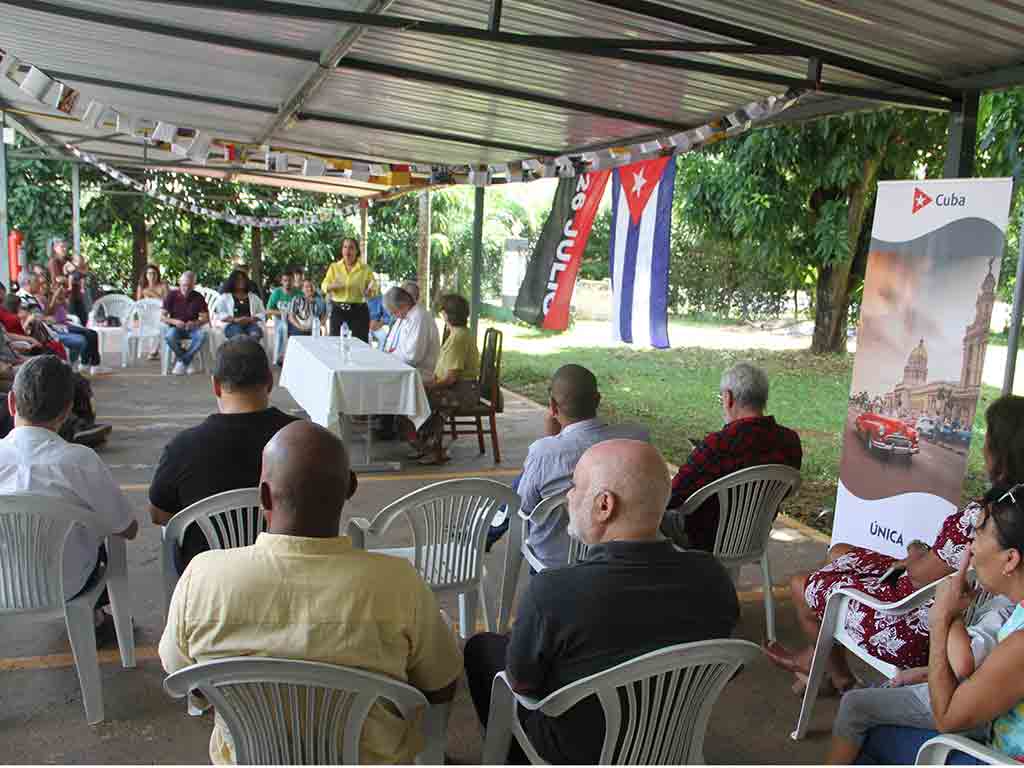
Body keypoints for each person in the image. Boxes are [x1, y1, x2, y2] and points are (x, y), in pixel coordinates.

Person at [160, 421, 463, 764]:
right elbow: (440, 684)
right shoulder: (399, 584)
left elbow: (185, 679)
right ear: (350, 487)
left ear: (263, 495)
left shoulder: (202, 577)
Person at [463, 439, 740, 764]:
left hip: (579, 752)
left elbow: (523, 685)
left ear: (604, 505)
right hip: (669, 741)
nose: (568, 496)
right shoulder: (714, 577)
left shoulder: (552, 592)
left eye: (576, 486)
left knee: (481, 649)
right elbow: (725, 668)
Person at [766, 394, 1024, 695]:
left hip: (911, 621)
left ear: (1000, 451)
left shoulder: (983, 516)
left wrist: (915, 554)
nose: (982, 447)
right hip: (936, 598)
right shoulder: (1013, 508)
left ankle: (837, 676)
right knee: (838, 552)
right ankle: (817, 660)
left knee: (801, 585)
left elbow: (919, 576)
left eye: (988, 439)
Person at [845, 486, 1024, 763]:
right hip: (993, 727)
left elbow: (947, 718)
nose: (971, 546)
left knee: (866, 726)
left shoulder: (1020, 644)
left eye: (978, 533)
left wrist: (941, 620)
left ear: (1010, 559)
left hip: (998, 758)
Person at [0, 356, 137, 636]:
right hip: (67, 584)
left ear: (11, 403)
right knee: (96, 531)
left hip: (2, 584)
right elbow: (127, 528)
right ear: (68, 410)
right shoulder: (79, 461)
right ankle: (95, 619)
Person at [827, 580, 1015, 763]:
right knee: (870, 706)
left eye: (979, 548)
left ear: (1010, 560)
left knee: (859, 712)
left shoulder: (1009, 615)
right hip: (981, 708)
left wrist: (947, 614)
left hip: (988, 737)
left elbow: (963, 667)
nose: (973, 555)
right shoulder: (1009, 605)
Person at [149, 338, 298, 565]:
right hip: (287, 575)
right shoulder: (305, 440)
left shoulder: (183, 447)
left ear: (216, 386)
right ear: (269, 381)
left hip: (208, 583)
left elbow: (159, 514)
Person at [489, 364, 649, 568]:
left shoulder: (544, 453)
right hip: (617, 559)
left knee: (529, 481)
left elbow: (524, 507)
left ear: (553, 407)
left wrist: (551, 441)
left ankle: (488, 529)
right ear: (598, 400)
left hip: (555, 565)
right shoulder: (637, 437)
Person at [661, 361, 802, 552]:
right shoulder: (789, 441)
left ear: (728, 398)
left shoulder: (718, 445)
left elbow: (672, 497)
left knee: (643, 516)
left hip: (703, 540)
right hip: (753, 539)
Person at [406, 294, 479, 466]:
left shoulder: (458, 339)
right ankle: (426, 446)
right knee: (420, 397)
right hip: (458, 388)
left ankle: (432, 449)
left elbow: (451, 378)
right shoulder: (457, 334)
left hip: (463, 392)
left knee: (421, 399)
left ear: (445, 315)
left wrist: (428, 386)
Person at [377, 285, 440, 440]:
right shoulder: (409, 316)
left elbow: (413, 356)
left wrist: (390, 356)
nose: (395, 316)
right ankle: (386, 424)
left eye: (395, 312)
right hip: (408, 367)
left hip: (422, 371)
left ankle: (393, 427)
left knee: (383, 380)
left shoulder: (418, 318)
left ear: (403, 305)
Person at [321, 237, 376, 341]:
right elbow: (324, 285)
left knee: (360, 344)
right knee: (336, 343)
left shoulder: (365, 269)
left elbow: (374, 287)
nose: (347, 250)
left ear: (356, 251)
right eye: (345, 247)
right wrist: (333, 286)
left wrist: (370, 292)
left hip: (359, 311)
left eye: (351, 248)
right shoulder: (334, 267)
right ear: (342, 250)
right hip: (338, 311)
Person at [162, 271, 210, 376]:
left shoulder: (198, 297)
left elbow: (206, 318)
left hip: (192, 328)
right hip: (176, 328)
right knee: (169, 336)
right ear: (179, 283)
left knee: (202, 336)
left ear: (194, 285)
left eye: (189, 286)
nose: (186, 288)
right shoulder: (172, 295)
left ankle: (182, 361)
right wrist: (175, 321)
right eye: (184, 285)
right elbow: (162, 317)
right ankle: (187, 361)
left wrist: (196, 323)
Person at [211, 269, 266, 342]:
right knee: (240, 337)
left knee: (255, 335)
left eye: (243, 279)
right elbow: (220, 314)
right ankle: (241, 353)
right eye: (238, 279)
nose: (241, 281)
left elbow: (262, 313)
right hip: (232, 325)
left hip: (250, 324)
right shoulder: (225, 297)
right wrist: (235, 320)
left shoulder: (253, 297)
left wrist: (251, 319)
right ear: (232, 281)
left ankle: (251, 353)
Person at [265, 269, 301, 366]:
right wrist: (282, 313)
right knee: (282, 329)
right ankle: (278, 358)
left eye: (290, 280)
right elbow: (268, 310)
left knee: (298, 331)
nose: (288, 283)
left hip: (295, 320)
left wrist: (292, 315)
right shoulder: (277, 293)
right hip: (280, 319)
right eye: (285, 280)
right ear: (281, 281)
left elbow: (302, 310)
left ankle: (294, 357)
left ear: (294, 281)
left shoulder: (298, 293)